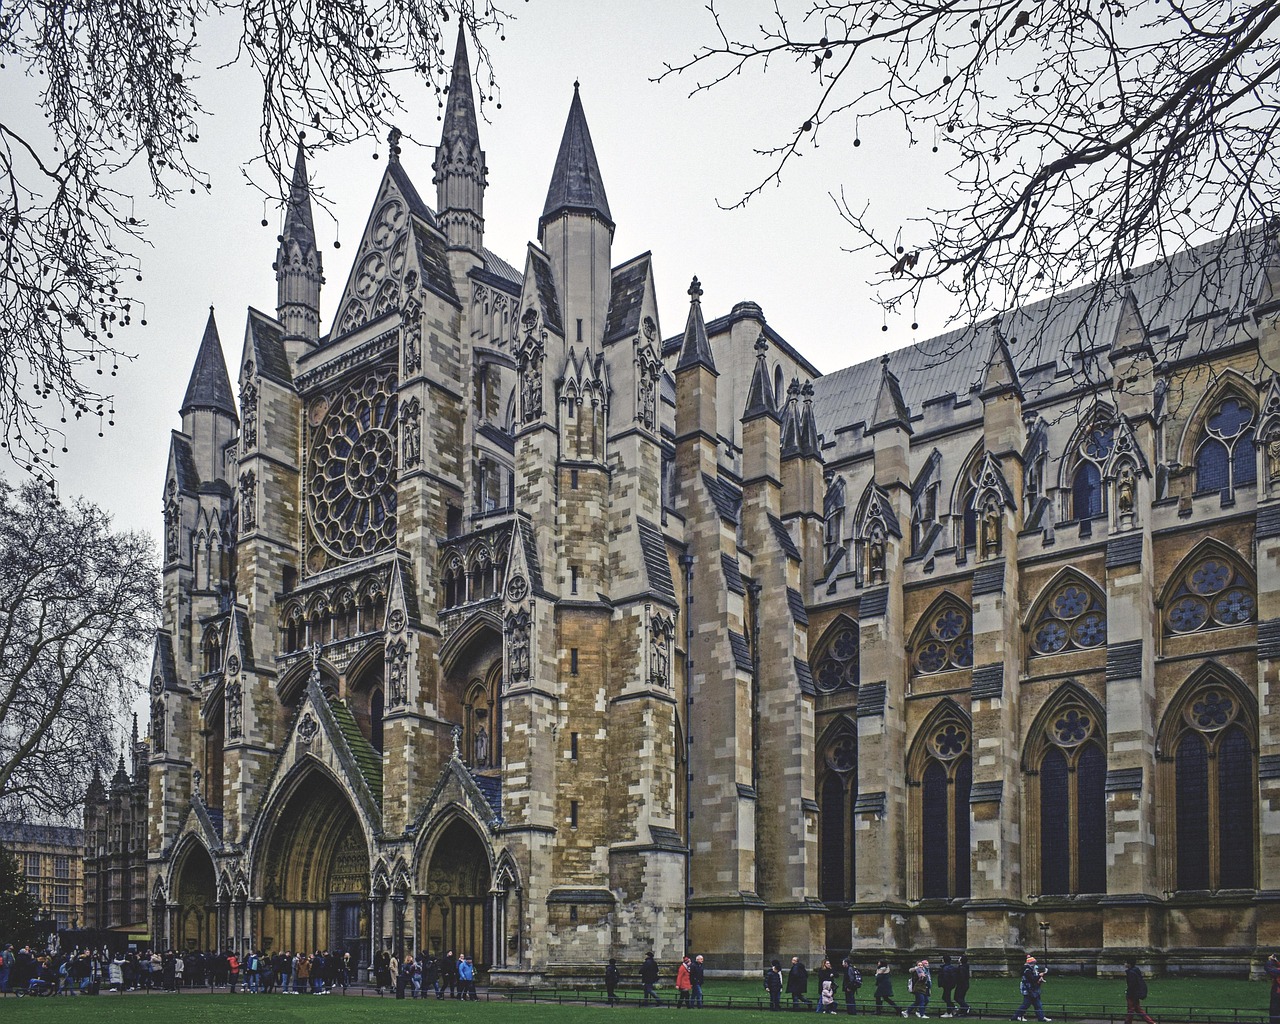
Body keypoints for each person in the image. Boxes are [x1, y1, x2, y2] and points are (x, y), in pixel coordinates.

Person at [1011, 955, 1050, 1023]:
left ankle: (1041, 1017)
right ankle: (1017, 1016)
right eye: (1033, 963)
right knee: (1027, 1004)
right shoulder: (1027, 971)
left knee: (1037, 1004)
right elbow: (1032, 980)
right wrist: (1040, 975)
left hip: (1033, 989)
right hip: (1029, 990)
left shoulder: (1030, 970)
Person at [1123, 959, 1155, 1024]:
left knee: (1131, 1010)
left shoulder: (1131, 973)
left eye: (1125, 962)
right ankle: (1151, 1022)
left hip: (1132, 994)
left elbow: (1132, 985)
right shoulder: (1135, 970)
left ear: (1129, 964)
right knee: (1138, 1009)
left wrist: (1128, 992)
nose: (1124, 964)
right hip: (1136, 993)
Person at [1268, 954, 1280, 1024]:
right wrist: (1275, 961)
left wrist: (1270, 961)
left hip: (1277, 993)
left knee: (1274, 1011)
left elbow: (1268, 968)